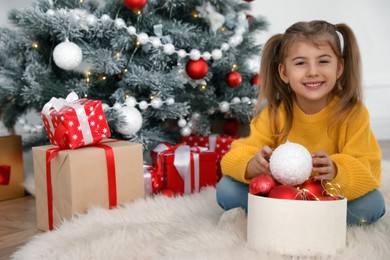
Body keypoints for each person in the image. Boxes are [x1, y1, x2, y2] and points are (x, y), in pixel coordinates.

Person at [216, 20, 386, 226]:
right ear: (284, 73)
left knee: (372, 204)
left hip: (326, 197)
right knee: (227, 189)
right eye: (300, 63)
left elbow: (369, 168)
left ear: (339, 67)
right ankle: (306, 221)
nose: (313, 71)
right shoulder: (274, 114)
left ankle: (292, 221)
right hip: (281, 197)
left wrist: (337, 170)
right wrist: (251, 165)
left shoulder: (352, 113)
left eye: (323, 61)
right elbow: (232, 157)